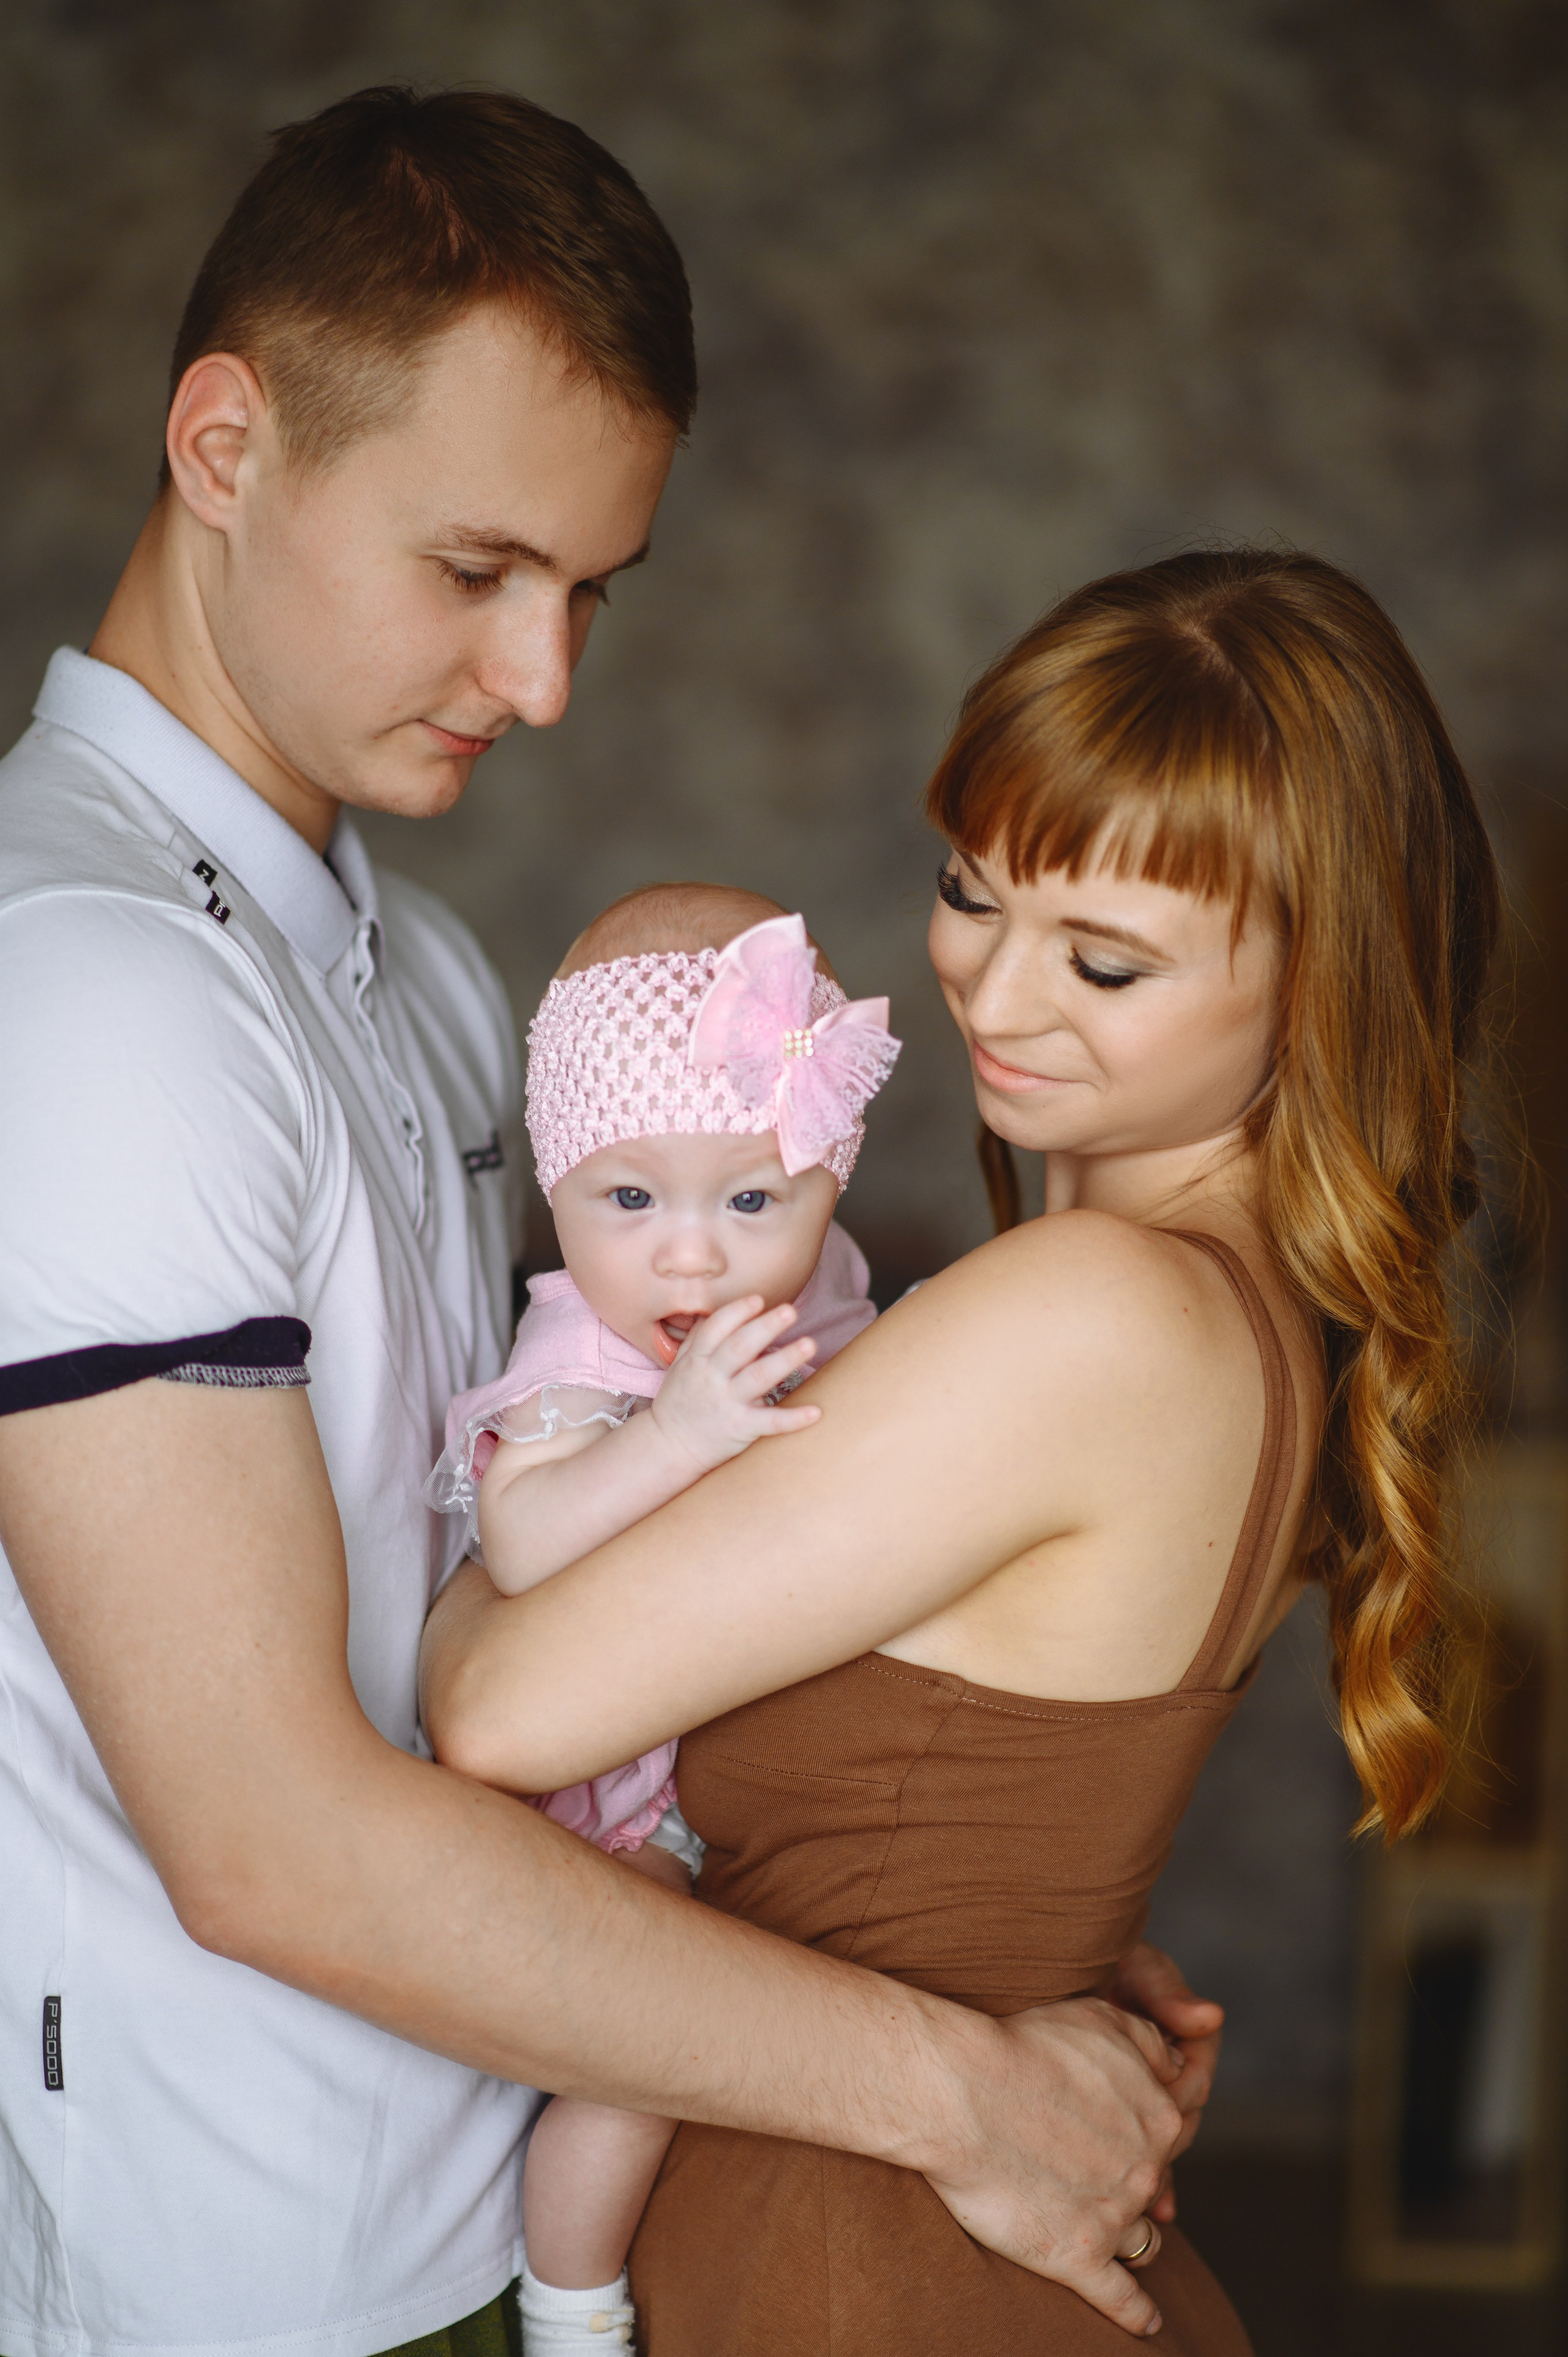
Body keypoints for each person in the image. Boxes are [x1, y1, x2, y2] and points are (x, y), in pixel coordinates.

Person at [0, 86, 1215, 2357]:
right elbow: (270, 1842)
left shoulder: (442, 974)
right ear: (225, 444)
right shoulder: (82, 990)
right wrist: (965, 2087)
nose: (546, 682)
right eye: (478, 571)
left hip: (529, 2184)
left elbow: (560, 1549)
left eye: (588, 593)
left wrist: (936, 1910)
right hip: (265, 2287)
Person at [422, 546, 1502, 2353]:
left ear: (1323, 978)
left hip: (853, 2259)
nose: (993, 1000)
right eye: (970, 895)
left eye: (1103, 960)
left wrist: (493, 1515)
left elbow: (494, 1708)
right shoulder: (1229, 1308)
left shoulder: (1093, 1312)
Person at [426, 881, 900, 2351]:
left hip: (729, 1755)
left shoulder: (814, 1282)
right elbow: (521, 1541)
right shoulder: (586, 1347)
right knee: (644, 2055)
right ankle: (570, 2307)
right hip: (603, 1808)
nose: (689, 1258)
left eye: (751, 1199)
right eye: (627, 1201)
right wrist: (674, 1435)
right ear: (559, 1189)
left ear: (824, 1190)